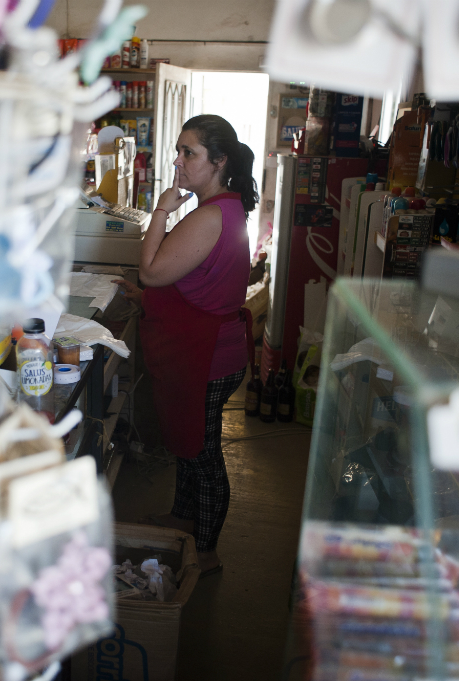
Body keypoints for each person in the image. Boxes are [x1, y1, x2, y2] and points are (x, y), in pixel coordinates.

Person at [113, 114, 258, 576]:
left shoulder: (209, 215)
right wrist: (150, 298)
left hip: (208, 356)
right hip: (209, 348)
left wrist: (161, 211)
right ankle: (183, 516)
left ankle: (208, 548)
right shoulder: (225, 209)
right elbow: (192, 279)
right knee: (189, 444)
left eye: (188, 153)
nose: (177, 161)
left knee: (204, 453)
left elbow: (153, 271)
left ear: (218, 162)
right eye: (178, 151)